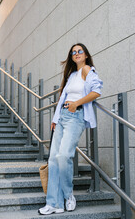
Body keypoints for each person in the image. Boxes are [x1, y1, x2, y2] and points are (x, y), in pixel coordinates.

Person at [38, 43, 103, 215]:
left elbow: (97, 91)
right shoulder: (72, 74)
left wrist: (76, 103)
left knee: (64, 155)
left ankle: (68, 195)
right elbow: (62, 98)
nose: (76, 54)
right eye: (73, 52)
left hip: (76, 116)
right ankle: (54, 203)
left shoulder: (87, 70)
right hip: (62, 117)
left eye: (80, 51)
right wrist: (55, 118)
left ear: (86, 55)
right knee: (53, 159)